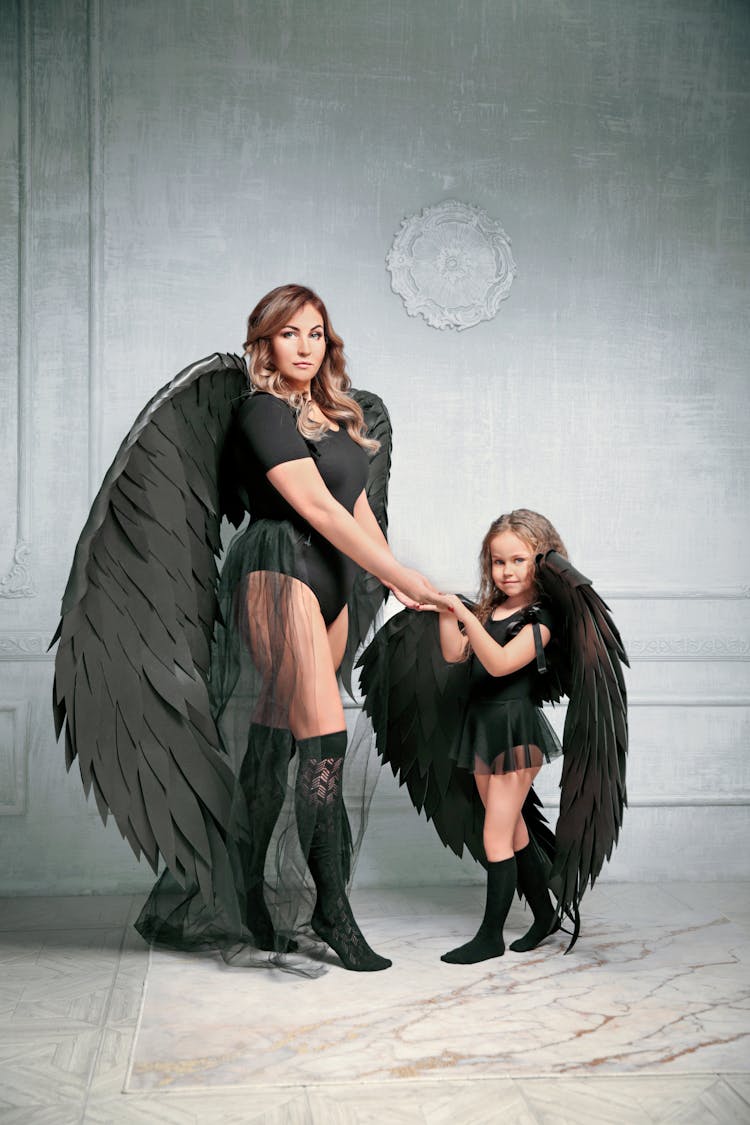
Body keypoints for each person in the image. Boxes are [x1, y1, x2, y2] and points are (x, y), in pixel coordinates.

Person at [132, 284, 445, 972]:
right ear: (263, 342)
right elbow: (315, 510)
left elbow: (355, 507)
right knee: (323, 734)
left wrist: (400, 579)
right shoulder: (261, 412)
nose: (304, 346)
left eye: (315, 333)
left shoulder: (334, 415)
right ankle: (331, 910)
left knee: (276, 727)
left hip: (334, 579)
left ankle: (246, 890)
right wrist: (405, 578)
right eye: (288, 333)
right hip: (280, 565)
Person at [430, 509, 566, 963]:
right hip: (483, 727)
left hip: (514, 731)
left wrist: (466, 616)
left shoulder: (542, 617)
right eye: (497, 561)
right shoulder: (493, 610)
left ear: (541, 560)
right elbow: (455, 654)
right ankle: (545, 916)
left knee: (495, 833)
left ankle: (490, 937)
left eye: (518, 560)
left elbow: (502, 663)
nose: (506, 571)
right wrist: (449, 610)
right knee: (514, 827)